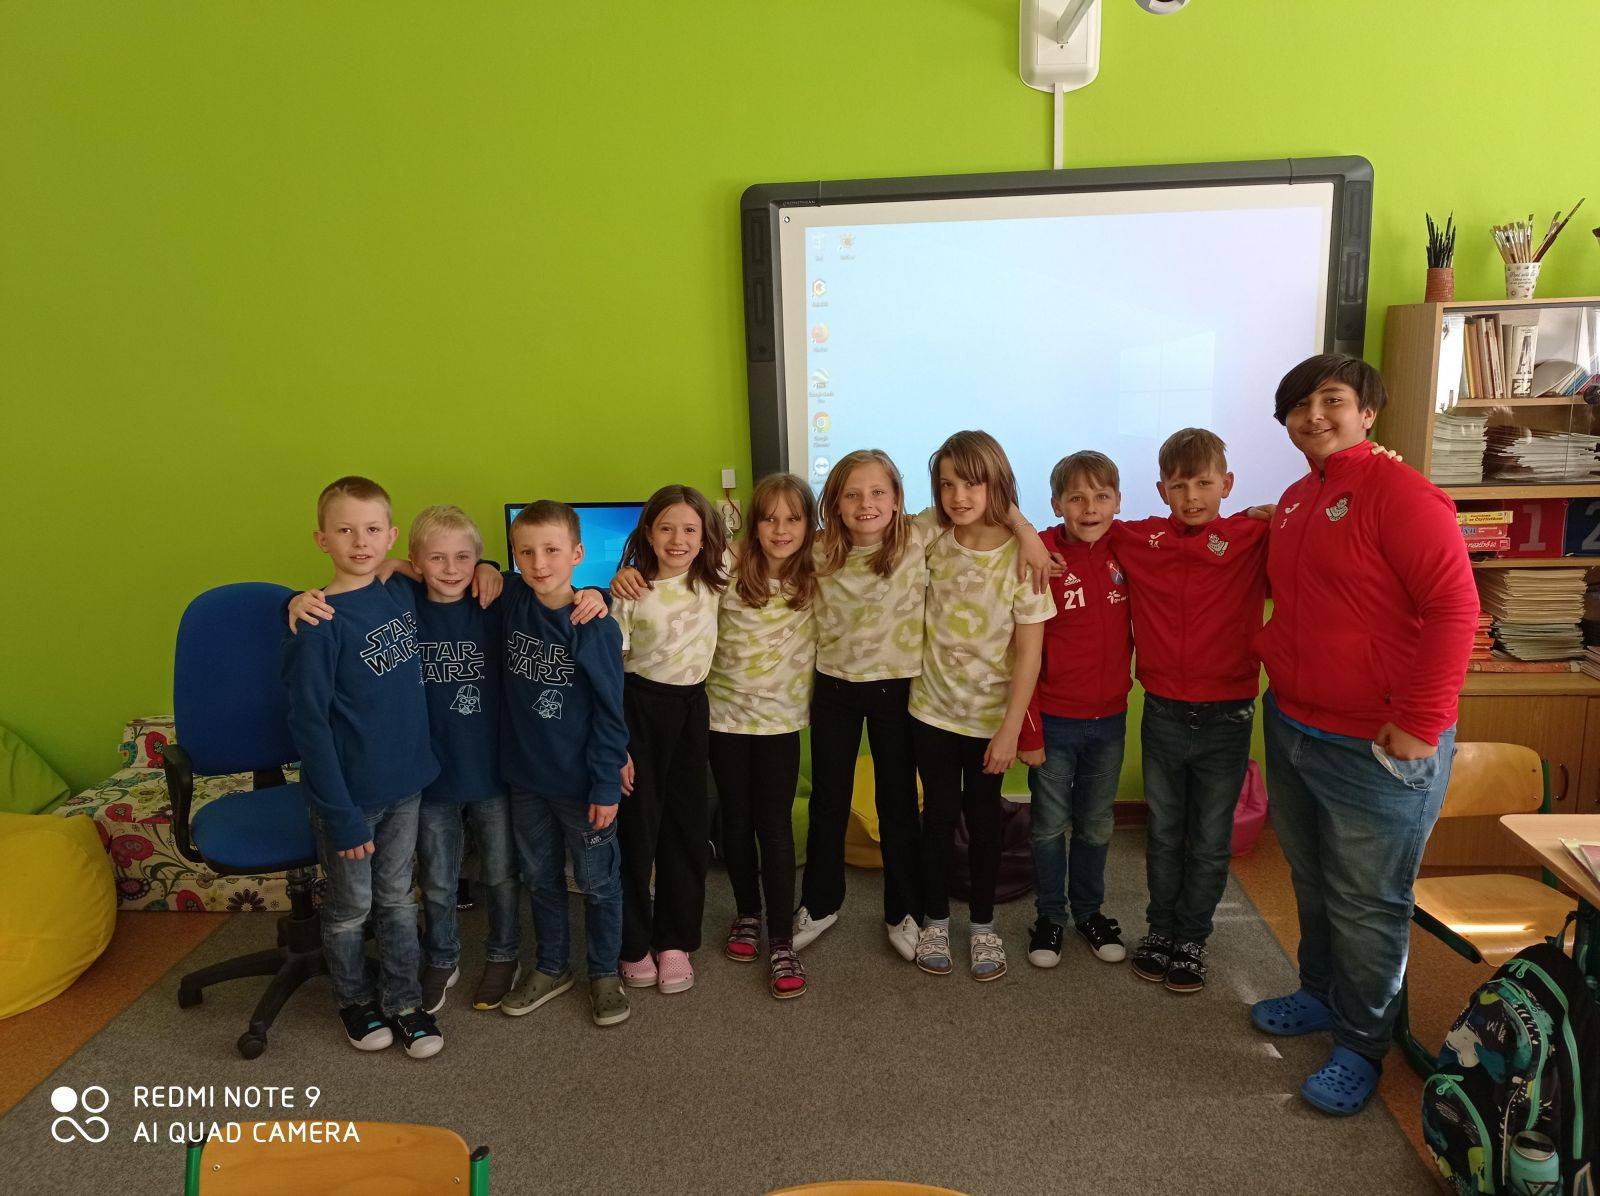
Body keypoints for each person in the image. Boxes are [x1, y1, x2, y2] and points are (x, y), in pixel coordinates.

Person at [1250, 353, 1475, 1116]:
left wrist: (1420, 721)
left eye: (1332, 400)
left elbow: (1455, 607)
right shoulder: (1296, 498)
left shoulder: (1404, 494)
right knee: (1312, 882)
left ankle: (1361, 1043)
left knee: (1368, 902)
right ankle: (1319, 993)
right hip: (1294, 725)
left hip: (1377, 746)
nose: (1313, 415)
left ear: (1368, 412)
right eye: (1298, 405)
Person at [799, 448, 1054, 961]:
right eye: (851, 494)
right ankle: (820, 904)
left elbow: (986, 494)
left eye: (878, 492)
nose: (865, 504)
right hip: (835, 688)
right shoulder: (820, 549)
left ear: (898, 499)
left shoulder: (918, 535)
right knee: (829, 799)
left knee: (897, 803)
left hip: (898, 689)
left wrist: (1028, 532)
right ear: (834, 503)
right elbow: (759, 549)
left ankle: (904, 912)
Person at [279, 475, 443, 1058]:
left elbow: (431, 568)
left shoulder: (398, 592)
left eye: (372, 529)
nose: (360, 541)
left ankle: (404, 1001)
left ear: (390, 535)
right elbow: (309, 728)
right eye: (345, 530)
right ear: (322, 540)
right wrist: (341, 815)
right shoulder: (317, 623)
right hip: (350, 799)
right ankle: (353, 1000)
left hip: (407, 786)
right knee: (351, 909)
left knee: (398, 898)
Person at [1107, 429, 1269, 994]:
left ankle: (1193, 937)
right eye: (1179, 486)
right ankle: (1160, 930)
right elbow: (1069, 529)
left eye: (1204, 483)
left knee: (1209, 839)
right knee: (1164, 832)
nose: (1192, 496)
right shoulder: (1137, 538)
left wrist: (1281, 514)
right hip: (1164, 714)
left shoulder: (1252, 535)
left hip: (1228, 717)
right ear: (1161, 490)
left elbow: (1321, 535)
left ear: (1227, 483)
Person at [911, 431, 1055, 981]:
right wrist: (1024, 524)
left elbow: (1030, 654)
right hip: (930, 711)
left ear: (997, 483)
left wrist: (1010, 730)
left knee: (985, 819)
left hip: (990, 721)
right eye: (947, 484)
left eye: (972, 483)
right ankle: (934, 919)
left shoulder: (1024, 559)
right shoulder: (932, 536)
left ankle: (983, 924)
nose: (958, 496)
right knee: (938, 817)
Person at [497, 501, 632, 1027]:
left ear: (577, 553)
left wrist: (605, 786)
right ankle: (552, 966)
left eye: (552, 550)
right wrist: (485, 566)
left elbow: (610, 714)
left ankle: (603, 972)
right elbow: (471, 570)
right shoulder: (512, 599)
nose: (539, 562)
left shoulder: (593, 626)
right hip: (526, 781)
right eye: (526, 552)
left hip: (582, 786)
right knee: (540, 878)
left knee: (598, 883)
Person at [1017, 451, 1133, 969]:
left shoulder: (1128, 548)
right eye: (1077, 498)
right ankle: (1050, 916)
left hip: (1109, 721)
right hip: (1054, 721)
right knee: (1047, 825)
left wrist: (1253, 515)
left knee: (1096, 824)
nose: (1090, 508)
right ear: (1056, 504)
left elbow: (1184, 532)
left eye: (1101, 497)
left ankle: (1089, 911)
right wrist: (1029, 731)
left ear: (1118, 501)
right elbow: (1022, 654)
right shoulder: (1039, 554)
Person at [705, 474, 818, 998]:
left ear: (809, 524)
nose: (780, 529)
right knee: (735, 819)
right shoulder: (726, 565)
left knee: (773, 826)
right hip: (724, 718)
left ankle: (781, 938)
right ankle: (747, 912)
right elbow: (672, 585)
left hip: (779, 723)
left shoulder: (819, 570)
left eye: (792, 518)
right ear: (753, 523)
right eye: (769, 518)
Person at [610, 485, 727, 995]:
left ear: (704, 538)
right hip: (638, 709)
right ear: (648, 533)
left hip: (691, 711)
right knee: (637, 829)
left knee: (686, 826)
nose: (678, 539)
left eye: (689, 529)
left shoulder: (717, 580)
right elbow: (611, 671)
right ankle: (633, 943)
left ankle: (675, 940)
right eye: (666, 528)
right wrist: (616, 745)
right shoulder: (631, 590)